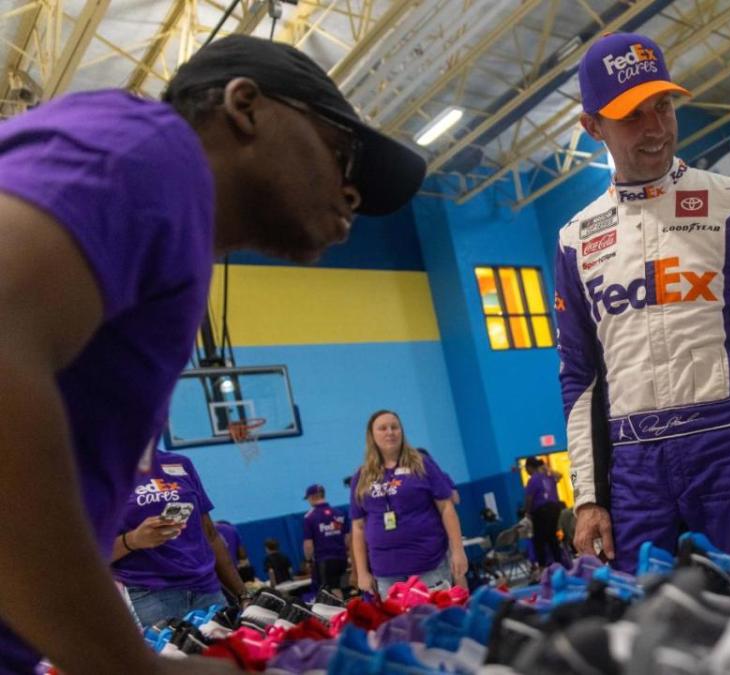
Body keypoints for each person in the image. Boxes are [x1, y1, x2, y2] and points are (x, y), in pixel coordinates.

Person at [0, 33, 425, 673]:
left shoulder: (169, 231)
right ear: (246, 106)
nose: (351, 195)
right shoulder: (146, 150)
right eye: (341, 156)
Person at [555, 32, 730, 572]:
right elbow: (580, 379)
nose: (655, 128)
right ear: (593, 128)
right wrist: (588, 496)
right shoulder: (574, 239)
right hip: (632, 472)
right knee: (652, 629)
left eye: (662, 106)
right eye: (631, 115)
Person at [111, 450, 251, 627]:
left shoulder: (180, 463)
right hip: (151, 596)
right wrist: (132, 540)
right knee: (171, 654)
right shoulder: (98, 474)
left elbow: (210, 534)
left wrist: (243, 595)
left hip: (207, 589)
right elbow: (84, 556)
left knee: (227, 652)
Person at [350, 410, 468, 593]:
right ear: (371, 435)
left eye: (394, 427)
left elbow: (446, 507)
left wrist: (458, 551)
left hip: (428, 563)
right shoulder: (361, 476)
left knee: (434, 620)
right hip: (385, 570)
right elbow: (358, 527)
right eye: (382, 428)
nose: (390, 432)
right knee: (399, 622)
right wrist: (362, 571)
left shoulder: (422, 464)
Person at [302, 483, 349, 596]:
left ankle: (340, 612)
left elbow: (308, 544)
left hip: (324, 560)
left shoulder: (310, 517)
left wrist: (308, 560)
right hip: (342, 558)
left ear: (312, 497)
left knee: (331, 591)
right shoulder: (339, 513)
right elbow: (348, 538)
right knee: (342, 587)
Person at [523, 457, 565, 568]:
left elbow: (529, 498)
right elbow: (560, 475)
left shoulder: (533, 479)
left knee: (539, 541)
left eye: (526, 469)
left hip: (541, 512)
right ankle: (559, 564)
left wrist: (527, 513)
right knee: (552, 538)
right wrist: (547, 468)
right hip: (554, 509)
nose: (526, 471)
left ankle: (543, 567)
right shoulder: (548, 477)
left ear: (530, 467)